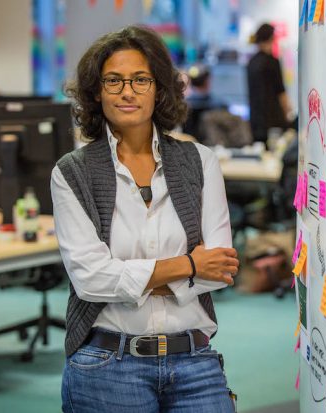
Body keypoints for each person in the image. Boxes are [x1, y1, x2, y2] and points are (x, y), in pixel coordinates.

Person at [51, 25, 239, 412]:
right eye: (113, 81)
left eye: (140, 79)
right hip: (107, 365)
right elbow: (89, 279)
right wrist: (187, 265)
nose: (127, 91)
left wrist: (129, 278)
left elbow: (219, 268)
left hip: (195, 363)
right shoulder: (72, 172)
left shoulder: (199, 161)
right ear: (96, 92)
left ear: (159, 88)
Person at [247, 23, 293, 146]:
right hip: (274, 119)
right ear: (272, 38)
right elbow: (280, 91)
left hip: (256, 119)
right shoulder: (273, 62)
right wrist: (288, 113)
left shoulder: (251, 62)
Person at [182, 64, 227, 142]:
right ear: (207, 81)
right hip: (215, 148)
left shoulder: (183, 106)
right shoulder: (219, 105)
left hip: (189, 146)